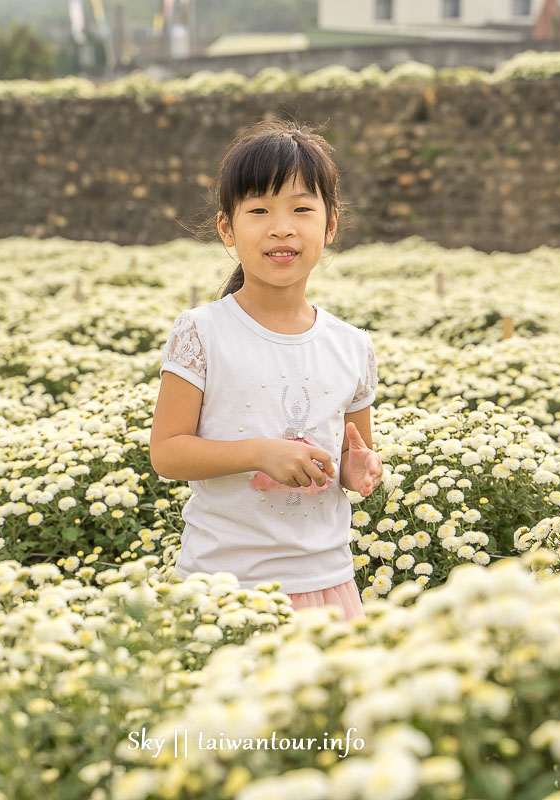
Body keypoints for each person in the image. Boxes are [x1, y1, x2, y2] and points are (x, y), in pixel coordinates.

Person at [150, 118, 383, 623]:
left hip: (324, 583)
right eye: (259, 210)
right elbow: (168, 452)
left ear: (331, 224)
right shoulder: (202, 331)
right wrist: (260, 454)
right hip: (222, 588)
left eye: (302, 208)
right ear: (227, 229)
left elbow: (349, 455)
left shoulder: (352, 345)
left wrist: (358, 469)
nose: (282, 227)